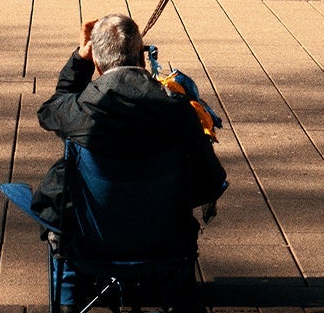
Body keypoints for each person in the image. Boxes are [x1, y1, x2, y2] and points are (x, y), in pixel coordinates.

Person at [24, 13, 227, 234]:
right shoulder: (179, 112)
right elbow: (211, 181)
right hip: (162, 244)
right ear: (141, 59)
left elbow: (50, 111)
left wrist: (81, 60)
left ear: (98, 65)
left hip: (91, 242)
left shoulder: (80, 110)